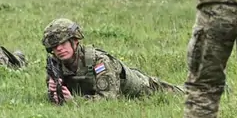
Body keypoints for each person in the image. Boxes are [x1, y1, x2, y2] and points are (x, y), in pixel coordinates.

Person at [42, 18, 183, 103]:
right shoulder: (55, 66)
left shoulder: (99, 61)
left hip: (144, 88)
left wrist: (75, 102)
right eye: (54, 46)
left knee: (185, 93)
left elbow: (107, 99)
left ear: (75, 41)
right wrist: (54, 92)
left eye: (63, 43)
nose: (59, 49)